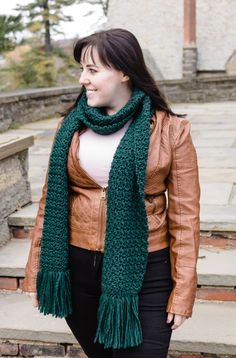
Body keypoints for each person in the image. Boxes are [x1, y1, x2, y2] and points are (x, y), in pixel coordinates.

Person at [22, 28, 200, 358]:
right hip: (78, 270)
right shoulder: (70, 128)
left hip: (147, 271)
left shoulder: (171, 130)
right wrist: (36, 271)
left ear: (124, 71)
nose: (82, 79)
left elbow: (186, 218)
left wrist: (184, 289)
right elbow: (50, 205)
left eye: (92, 70)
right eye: (81, 70)